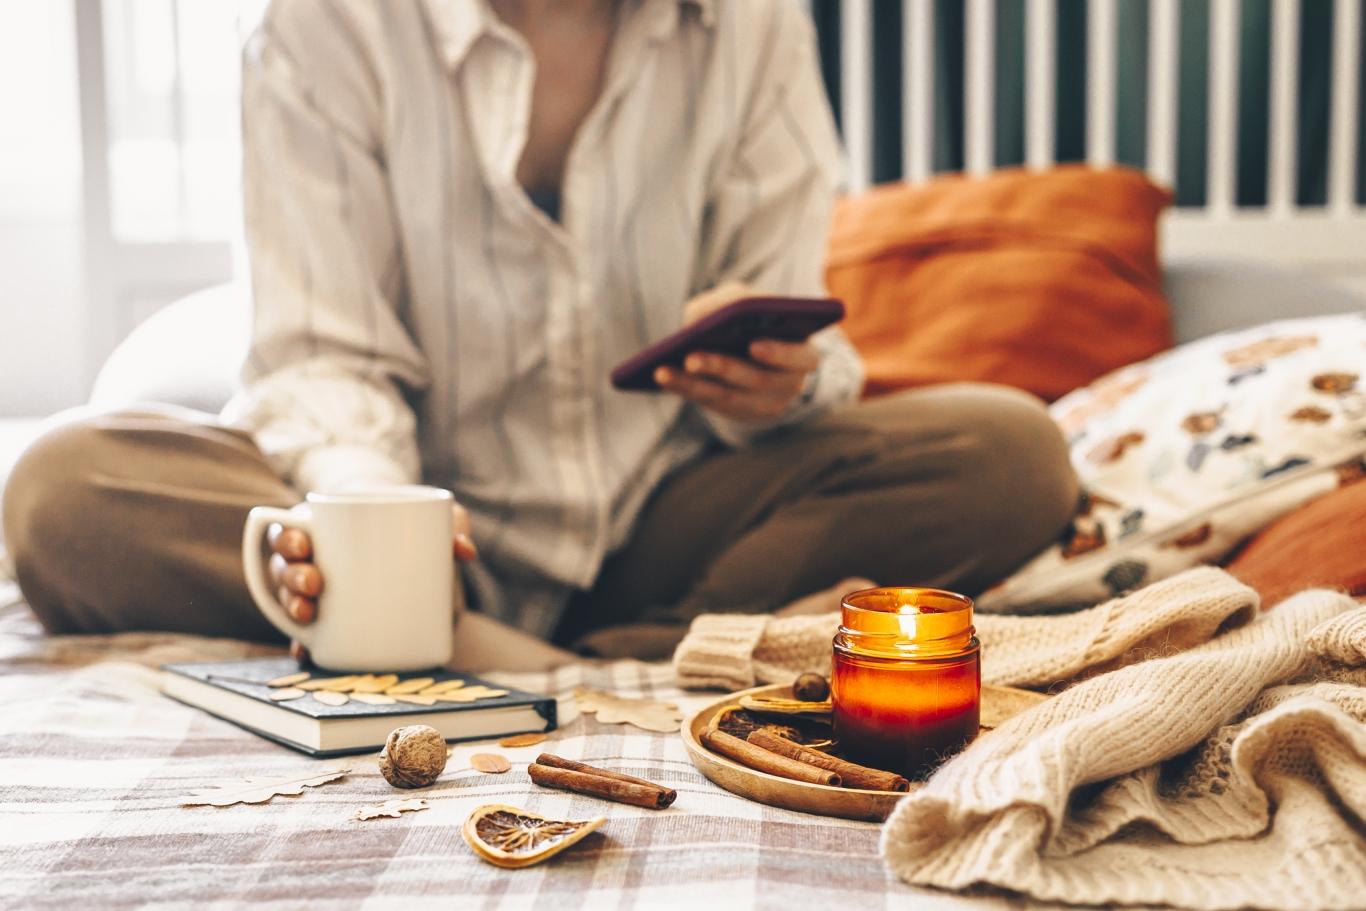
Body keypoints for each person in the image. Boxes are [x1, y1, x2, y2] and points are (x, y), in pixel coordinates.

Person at [2, 0, 1077, 667]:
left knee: (1010, 448)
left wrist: (777, 388)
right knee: (64, 489)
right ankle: (508, 644)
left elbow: (779, 311)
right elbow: (324, 359)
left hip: (661, 522)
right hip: (416, 513)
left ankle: (503, 657)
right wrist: (385, 534)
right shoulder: (317, 27)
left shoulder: (754, 24)